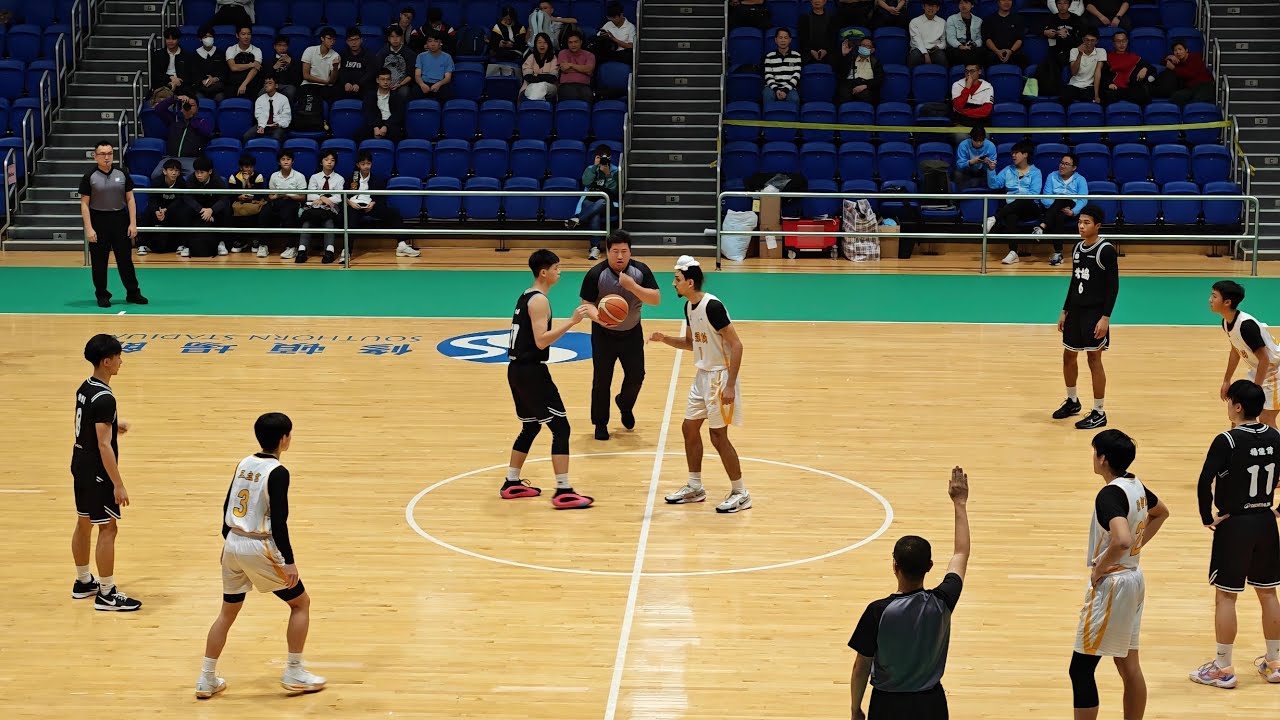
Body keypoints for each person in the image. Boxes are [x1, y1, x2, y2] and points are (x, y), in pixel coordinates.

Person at [195, 412, 326, 699]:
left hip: (233, 542)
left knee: (227, 613)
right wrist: (289, 561)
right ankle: (294, 671)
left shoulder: (244, 463)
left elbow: (226, 505)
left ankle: (206, 679)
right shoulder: (278, 472)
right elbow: (279, 522)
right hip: (260, 546)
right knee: (301, 604)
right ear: (283, 439)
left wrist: (227, 540)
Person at [849, 467, 970, 720]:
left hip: (887, 705)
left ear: (894, 566)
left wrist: (855, 708)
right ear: (930, 567)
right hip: (931, 703)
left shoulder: (877, 612)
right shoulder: (943, 601)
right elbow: (961, 554)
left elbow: (862, 667)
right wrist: (960, 503)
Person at [1070, 429, 1169, 720]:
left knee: (1081, 669)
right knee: (1128, 666)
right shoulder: (1135, 483)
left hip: (1113, 586)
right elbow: (1161, 512)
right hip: (1134, 579)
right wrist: (1134, 549)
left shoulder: (1109, 495)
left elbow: (1122, 539)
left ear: (1102, 459)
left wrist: (1100, 568)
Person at [1188, 379, 1280, 689]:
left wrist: (1207, 518)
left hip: (1235, 524)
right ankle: (1275, 662)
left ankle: (1223, 668)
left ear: (1237, 406)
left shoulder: (1226, 440)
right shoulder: (1275, 436)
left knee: (1227, 596)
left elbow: (1204, 482)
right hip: (1266, 522)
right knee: (1268, 593)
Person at [651, 256, 751, 513]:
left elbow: (737, 345)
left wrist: (729, 386)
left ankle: (741, 492)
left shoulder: (712, 306)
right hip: (702, 376)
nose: (673, 284)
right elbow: (690, 344)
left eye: (677, 280)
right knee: (689, 428)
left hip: (720, 376)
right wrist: (664, 339)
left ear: (690, 282)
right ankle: (695, 487)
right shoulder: (688, 307)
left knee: (718, 436)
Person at [500, 249, 597, 510]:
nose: (559, 271)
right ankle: (563, 490)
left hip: (516, 370)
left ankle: (512, 482)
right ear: (544, 272)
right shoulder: (540, 300)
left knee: (531, 426)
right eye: (556, 268)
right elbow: (542, 340)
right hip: (532, 371)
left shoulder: (525, 295)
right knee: (561, 428)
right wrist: (572, 322)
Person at [71, 334, 142, 611]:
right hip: (98, 470)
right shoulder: (105, 397)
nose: (121, 362)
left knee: (83, 522)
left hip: (79, 463)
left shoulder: (85, 387)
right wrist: (118, 484)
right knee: (108, 528)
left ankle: (83, 581)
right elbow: (103, 444)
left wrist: (113, 426)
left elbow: (91, 426)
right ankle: (107, 593)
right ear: (106, 361)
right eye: (119, 357)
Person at [579, 230, 661, 441]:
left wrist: (632, 286)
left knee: (637, 376)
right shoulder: (596, 274)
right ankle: (600, 423)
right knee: (601, 380)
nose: (619, 256)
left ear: (630, 252)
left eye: (624, 251)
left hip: (632, 332)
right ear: (607, 252)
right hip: (603, 334)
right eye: (615, 251)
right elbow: (586, 304)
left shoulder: (640, 271)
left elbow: (655, 298)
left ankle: (624, 404)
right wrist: (598, 317)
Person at [1053, 205, 1118, 429]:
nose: (1081, 226)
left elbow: (1113, 287)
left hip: (1095, 314)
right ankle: (1072, 401)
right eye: (1080, 222)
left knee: (1094, 360)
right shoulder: (1078, 248)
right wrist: (1064, 310)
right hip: (1076, 312)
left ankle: (1099, 412)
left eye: (1086, 223)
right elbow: (1074, 281)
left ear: (1097, 226)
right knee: (1068, 357)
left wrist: (1105, 318)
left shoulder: (1106, 250)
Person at [79, 140, 145, 308]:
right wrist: (89, 228)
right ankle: (102, 295)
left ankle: (133, 293)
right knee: (99, 262)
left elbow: (130, 199)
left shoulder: (122, 174)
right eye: (103, 154)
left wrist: (132, 223)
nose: (106, 157)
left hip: (119, 220)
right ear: (95, 156)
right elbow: (84, 204)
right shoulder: (89, 177)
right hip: (98, 220)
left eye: (109, 153)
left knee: (125, 260)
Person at [1209, 280, 1280, 429]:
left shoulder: (1246, 326)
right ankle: (1236, 450)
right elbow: (1235, 350)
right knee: (1238, 416)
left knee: (1266, 419)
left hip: (1275, 373)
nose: (1210, 300)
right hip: (1259, 371)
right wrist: (1227, 380)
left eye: (1214, 296)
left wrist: (1255, 391)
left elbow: (1264, 359)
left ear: (1227, 302)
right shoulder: (1226, 322)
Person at [987, 141, 1043, 264]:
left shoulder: (1035, 172)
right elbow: (994, 184)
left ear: (1025, 155)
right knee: (1011, 216)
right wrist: (991, 170)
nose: (1013, 156)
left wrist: (1018, 197)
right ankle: (1013, 252)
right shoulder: (1008, 170)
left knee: (1021, 200)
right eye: (1012, 153)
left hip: (1030, 207)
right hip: (1012, 208)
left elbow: (1034, 194)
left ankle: (993, 218)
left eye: (1016, 153)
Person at [1034, 152, 1088, 266]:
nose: (1062, 166)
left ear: (1074, 168)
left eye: (1066, 164)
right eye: (1061, 163)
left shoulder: (1080, 179)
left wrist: (1073, 211)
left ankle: (1042, 226)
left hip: (1071, 208)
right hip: (1056, 210)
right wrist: (1057, 207)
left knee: (1062, 199)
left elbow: (1083, 200)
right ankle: (1058, 253)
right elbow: (1046, 198)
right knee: (1058, 211)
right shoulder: (1052, 176)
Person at [138, 158, 190, 255]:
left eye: (176, 170)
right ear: (164, 171)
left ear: (179, 173)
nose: (174, 173)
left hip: (173, 209)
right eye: (171, 170)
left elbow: (180, 200)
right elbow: (152, 199)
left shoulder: (182, 183)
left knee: (184, 213)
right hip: (158, 209)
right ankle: (142, 244)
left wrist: (167, 210)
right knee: (145, 213)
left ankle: (182, 244)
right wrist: (156, 211)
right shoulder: (157, 182)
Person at [954, 125, 996, 190]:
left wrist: (989, 164)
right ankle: (959, 197)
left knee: (992, 173)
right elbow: (959, 165)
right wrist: (971, 162)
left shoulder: (990, 146)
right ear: (971, 138)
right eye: (976, 141)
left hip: (983, 170)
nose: (979, 143)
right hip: (967, 170)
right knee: (957, 174)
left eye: (981, 140)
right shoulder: (963, 145)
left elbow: (993, 164)